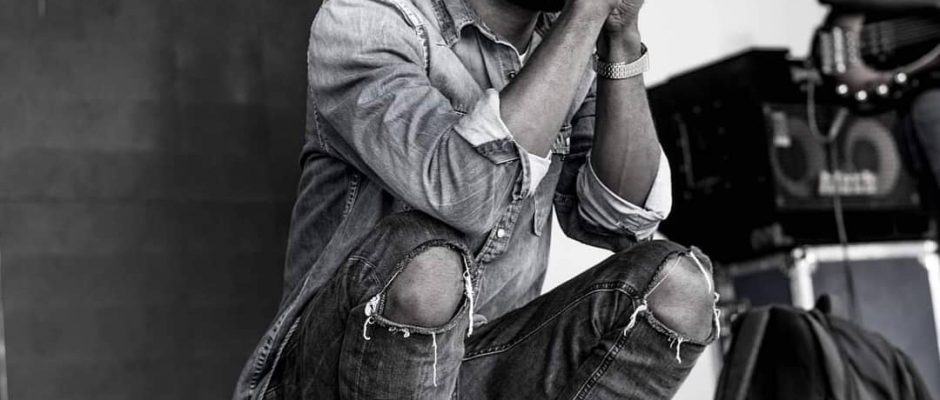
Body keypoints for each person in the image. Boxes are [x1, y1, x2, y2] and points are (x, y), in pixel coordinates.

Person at [234, 0, 720, 398]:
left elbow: (621, 219)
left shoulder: (566, 40)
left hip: (482, 365)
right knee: (428, 262)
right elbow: (462, 194)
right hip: (335, 372)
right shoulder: (369, 18)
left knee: (677, 288)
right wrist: (585, 14)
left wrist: (619, 37)